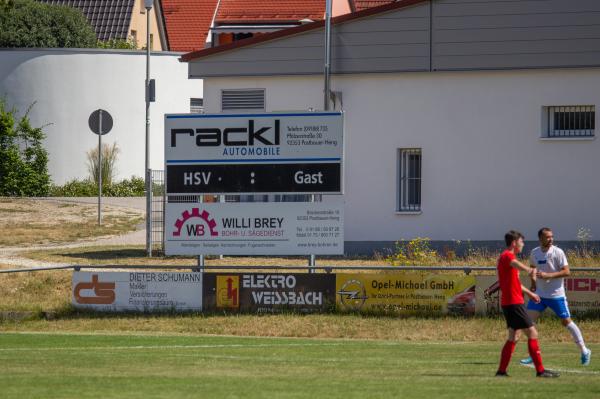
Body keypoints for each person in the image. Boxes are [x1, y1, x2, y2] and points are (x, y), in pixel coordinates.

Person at [520, 227, 591, 366]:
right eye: (547, 237)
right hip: (540, 295)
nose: (551, 239)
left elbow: (567, 271)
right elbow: (533, 269)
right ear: (540, 238)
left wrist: (549, 276)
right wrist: (533, 283)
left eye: (552, 236)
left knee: (566, 322)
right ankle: (533, 355)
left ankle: (584, 350)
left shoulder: (558, 252)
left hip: (556, 295)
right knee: (528, 323)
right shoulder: (534, 252)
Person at [496, 230, 559, 378]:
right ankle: (540, 371)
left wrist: (530, 293)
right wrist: (529, 270)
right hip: (513, 303)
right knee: (532, 332)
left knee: (514, 336)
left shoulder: (508, 258)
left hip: (511, 302)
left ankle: (501, 371)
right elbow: (515, 264)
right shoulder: (508, 256)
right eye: (521, 241)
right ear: (514, 243)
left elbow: (515, 283)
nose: (522, 244)